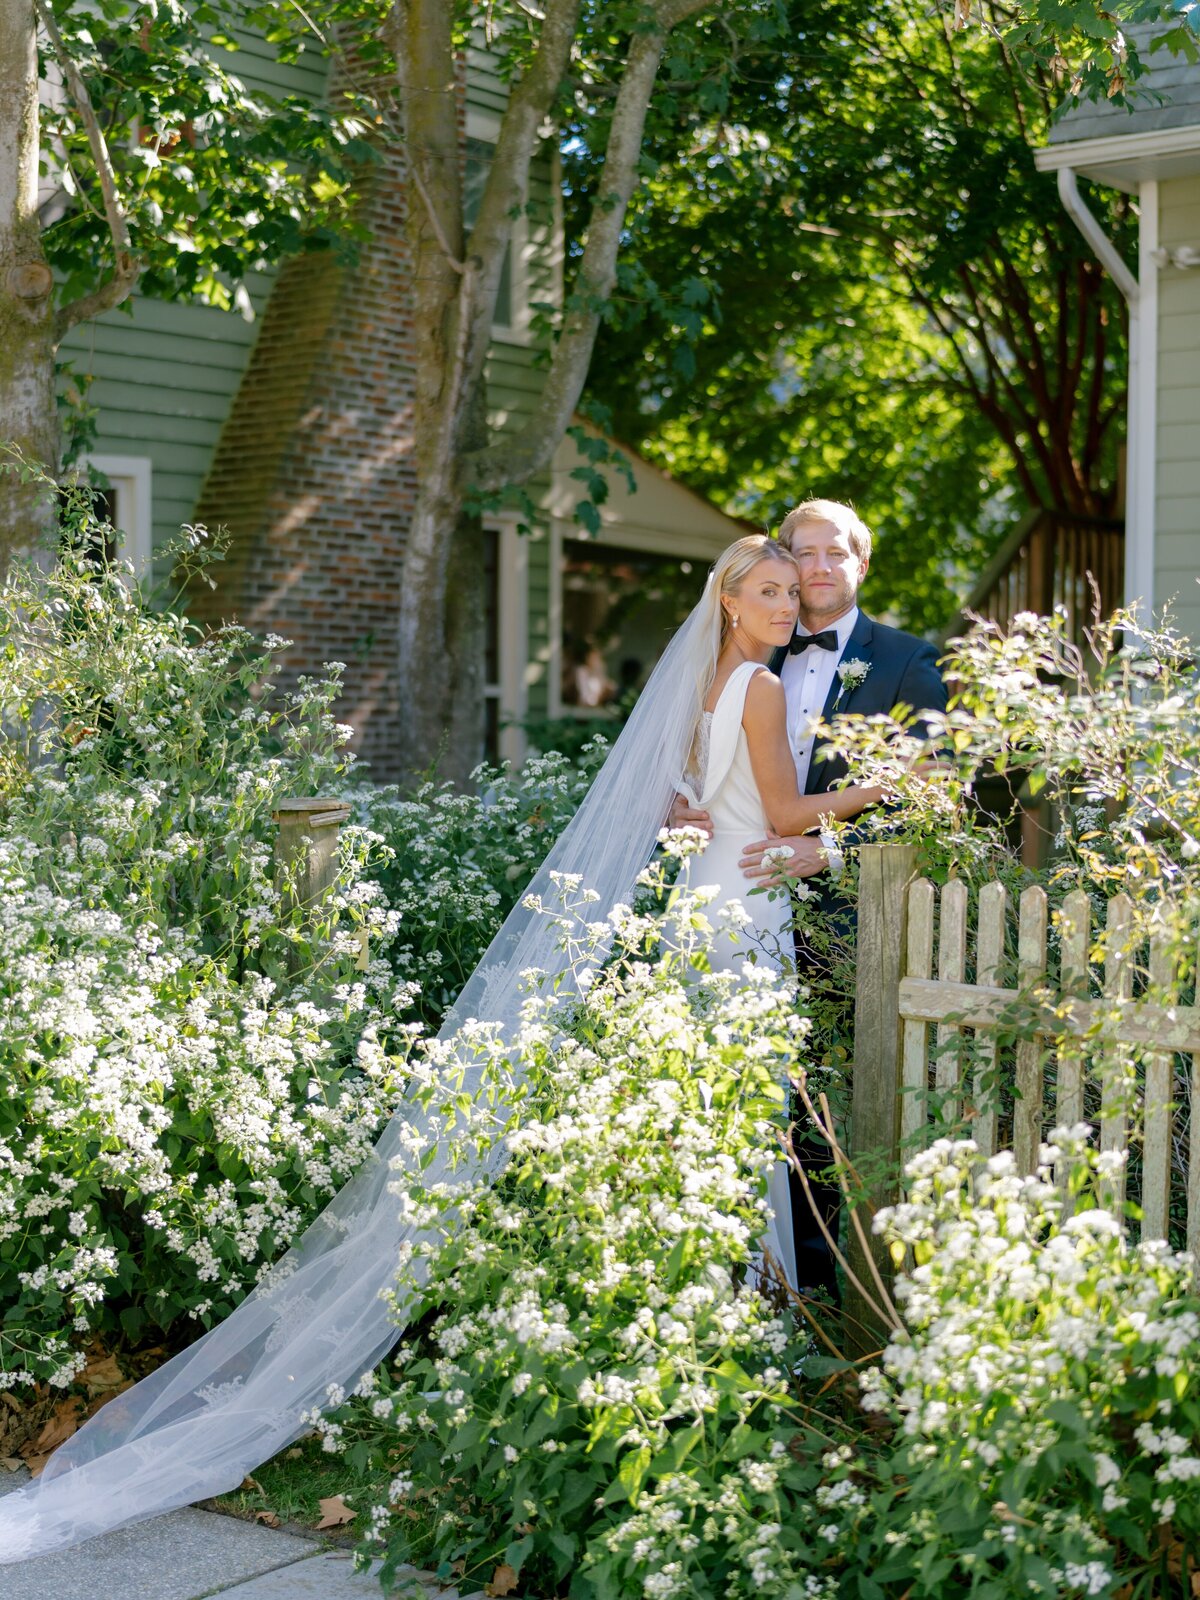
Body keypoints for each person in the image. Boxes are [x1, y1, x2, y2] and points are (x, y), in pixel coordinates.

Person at [0, 533, 878, 1565]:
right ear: (729, 601)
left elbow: (694, 810)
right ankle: (746, 1339)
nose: (786, 602)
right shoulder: (765, 691)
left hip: (705, 906)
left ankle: (731, 1334)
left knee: (717, 1126)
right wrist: (875, 801)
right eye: (767, 589)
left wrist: (780, 827)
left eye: (791, 590)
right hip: (741, 918)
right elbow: (778, 813)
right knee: (738, 1129)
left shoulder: (711, 683)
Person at [672, 499, 948, 1300]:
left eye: (835, 555)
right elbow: (683, 760)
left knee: (831, 1117)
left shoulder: (904, 662)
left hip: (844, 920)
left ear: (861, 565)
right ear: (775, 568)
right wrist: (672, 803)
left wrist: (827, 852)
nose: (814, 572)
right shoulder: (752, 654)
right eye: (802, 557)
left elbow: (942, 806)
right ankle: (763, 1288)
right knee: (753, 1103)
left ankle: (828, 1288)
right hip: (746, 905)